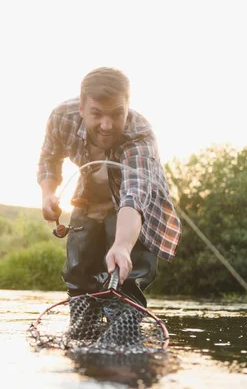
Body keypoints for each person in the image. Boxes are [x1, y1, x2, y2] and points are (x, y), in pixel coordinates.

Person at [37, 67, 181, 308]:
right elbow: (49, 158)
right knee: (79, 278)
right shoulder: (62, 117)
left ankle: (124, 338)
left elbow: (134, 196)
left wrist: (123, 245)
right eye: (97, 114)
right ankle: (82, 337)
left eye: (116, 114)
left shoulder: (140, 134)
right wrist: (48, 193)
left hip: (132, 210)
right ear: (81, 109)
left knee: (124, 280)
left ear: (127, 107)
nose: (106, 125)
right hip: (88, 200)